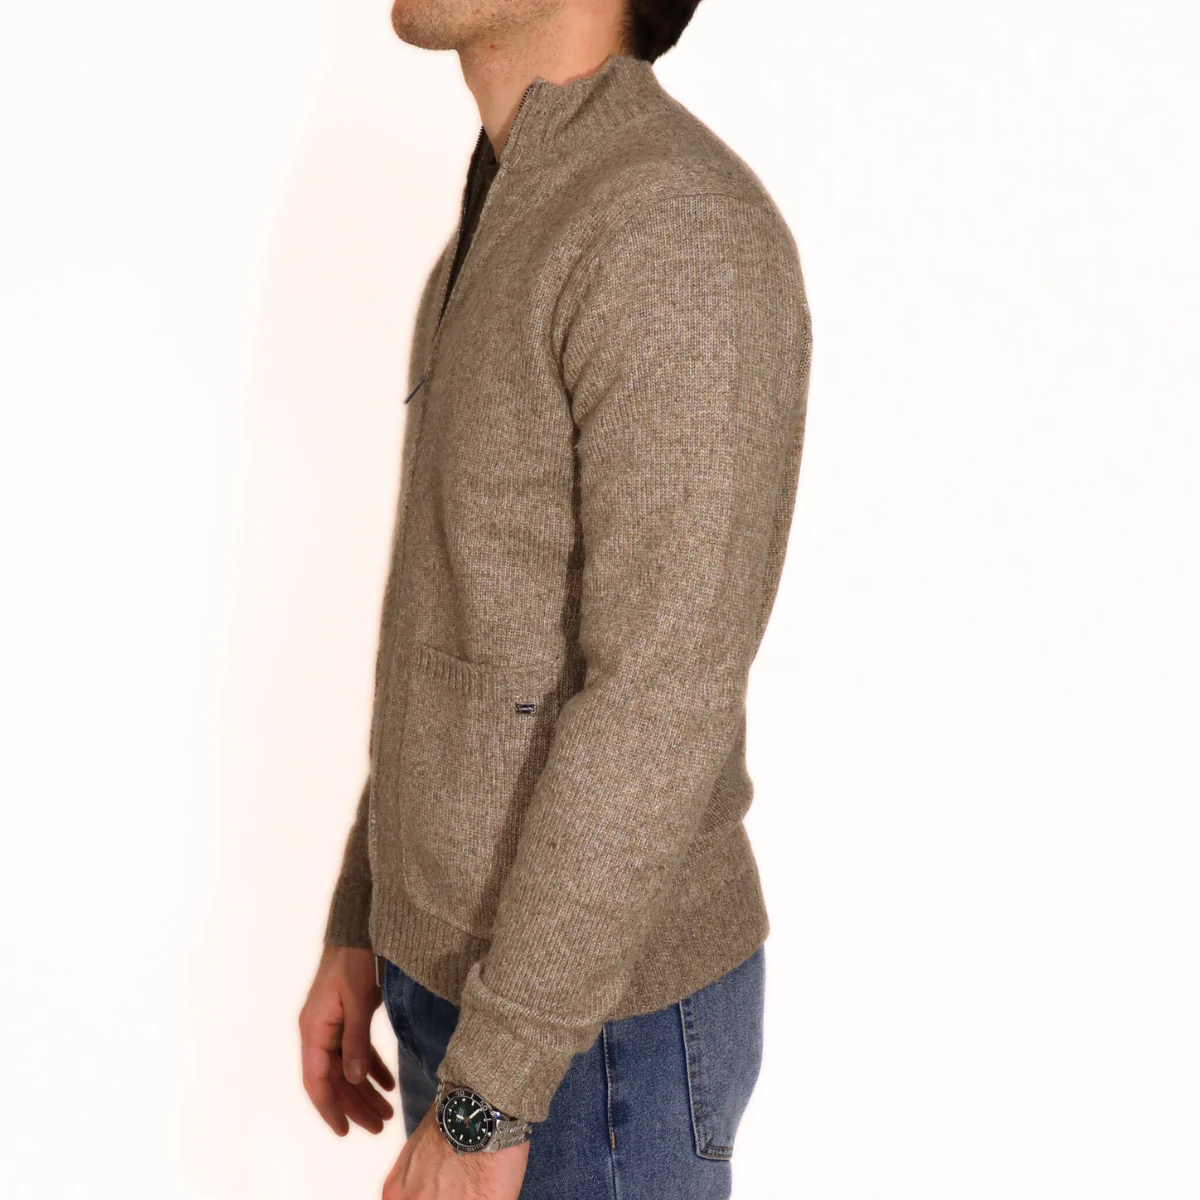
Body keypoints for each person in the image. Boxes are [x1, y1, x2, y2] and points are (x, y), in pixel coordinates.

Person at [298, 1, 813, 1196]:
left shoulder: (671, 228)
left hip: (594, 1047)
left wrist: (490, 1100)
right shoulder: (512, 209)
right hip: (485, 1010)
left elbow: (661, 698)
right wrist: (364, 916)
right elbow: (461, 629)